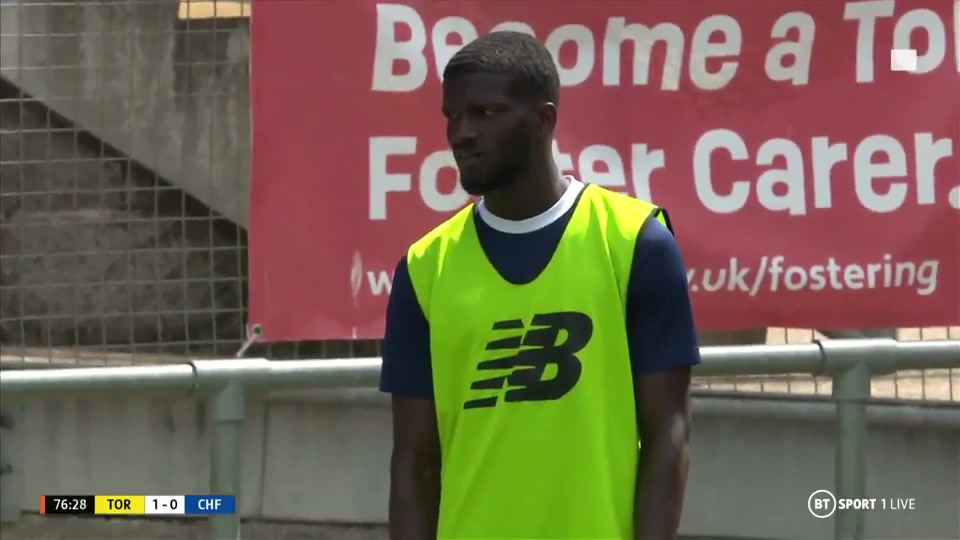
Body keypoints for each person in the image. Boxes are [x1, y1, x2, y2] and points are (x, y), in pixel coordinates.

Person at [379, 31, 701, 540]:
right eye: (452, 116)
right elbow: (414, 463)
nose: (461, 133)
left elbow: (668, 434)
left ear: (544, 120)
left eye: (485, 114)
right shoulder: (425, 267)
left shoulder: (636, 243)